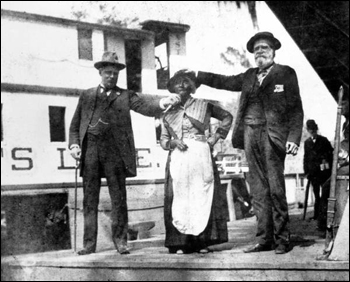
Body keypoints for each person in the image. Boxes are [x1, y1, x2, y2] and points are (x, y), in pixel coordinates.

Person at [191, 31, 304, 254]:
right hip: (250, 134)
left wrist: (293, 138)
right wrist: (199, 75)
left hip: (273, 137)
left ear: (273, 50)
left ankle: (281, 239)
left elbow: (296, 109)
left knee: (276, 188)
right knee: (258, 191)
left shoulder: (286, 73)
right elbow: (224, 81)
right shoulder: (249, 76)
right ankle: (264, 239)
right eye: (256, 49)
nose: (260, 52)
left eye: (264, 47)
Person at [69, 51, 180, 255]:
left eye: (115, 73)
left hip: (115, 153)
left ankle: (121, 242)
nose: (111, 76)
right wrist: (74, 145)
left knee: (118, 198)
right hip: (91, 151)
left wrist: (164, 102)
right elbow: (75, 125)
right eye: (107, 72)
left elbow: (145, 105)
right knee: (89, 199)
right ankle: (88, 244)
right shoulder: (86, 95)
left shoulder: (125, 96)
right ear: (100, 72)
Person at [160, 70, 233, 254]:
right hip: (179, 157)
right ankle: (180, 243)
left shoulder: (204, 105)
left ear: (192, 87)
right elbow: (163, 140)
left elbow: (227, 117)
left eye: (186, 82)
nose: (182, 85)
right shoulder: (168, 112)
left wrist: (215, 138)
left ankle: (201, 242)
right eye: (178, 82)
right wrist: (173, 142)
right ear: (172, 87)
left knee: (202, 195)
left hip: (201, 154)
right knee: (180, 197)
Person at [318, 92, 349, 233]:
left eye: (343, 103)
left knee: (329, 188)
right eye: (339, 103)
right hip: (344, 165)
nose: (340, 106)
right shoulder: (346, 123)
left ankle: (335, 228)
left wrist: (345, 156)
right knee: (325, 188)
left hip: (347, 166)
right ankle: (328, 227)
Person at [303, 119, 333, 220]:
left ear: (316, 129)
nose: (312, 132)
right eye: (310, 130)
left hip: (324, 173)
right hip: (313, 173)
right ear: (308, 130)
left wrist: (325, 160)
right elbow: (305, 158)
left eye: (314, 130)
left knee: (325, 193)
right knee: (316, 195)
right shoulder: (307, 143)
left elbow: (331, 154)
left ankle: (325, 215)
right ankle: (317, 215)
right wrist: (306, 172)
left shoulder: (324, 140)